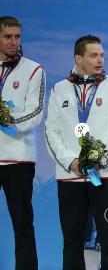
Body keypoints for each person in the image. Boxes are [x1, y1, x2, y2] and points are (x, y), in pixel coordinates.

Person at [45, 35, 108, 270]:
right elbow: (50, 132)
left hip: (105, 177)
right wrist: (71, 162)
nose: (100, 60)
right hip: (70, 177)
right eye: (94, 55)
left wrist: (101, 161)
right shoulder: (59, 90)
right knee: (72, 242)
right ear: (78, 58)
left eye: (102, 55)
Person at [0, 16, 45, 270]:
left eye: (18, 36)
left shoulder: (34, 70)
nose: (14, 42)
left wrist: (6, 118)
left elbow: (35, 113)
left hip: (18, 158)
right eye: (8, 36)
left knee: (22, 224)